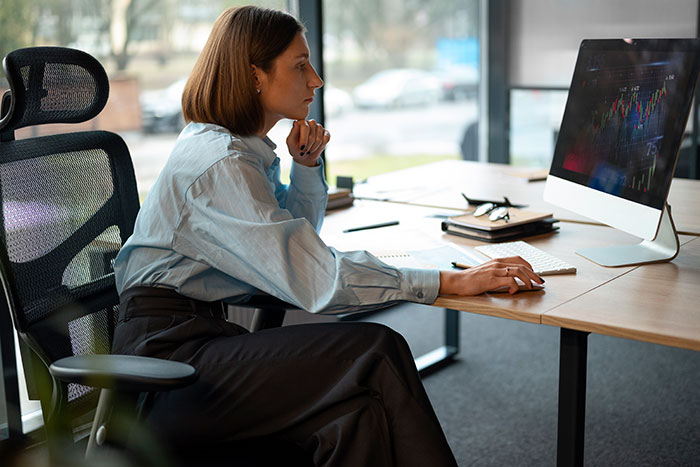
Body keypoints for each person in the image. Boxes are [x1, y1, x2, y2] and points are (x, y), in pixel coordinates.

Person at [112, 5, 544, 466]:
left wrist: (305, 167)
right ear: (254, 74)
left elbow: (295, 245)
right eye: (300, 66)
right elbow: (316, 278)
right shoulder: (221, 164)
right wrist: (447, 281)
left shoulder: (238, 152)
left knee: (356, 412)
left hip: (204, 342)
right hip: (166, 371)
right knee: (377, 350)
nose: (316, 80)